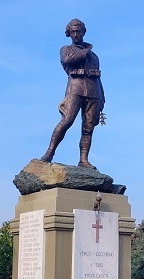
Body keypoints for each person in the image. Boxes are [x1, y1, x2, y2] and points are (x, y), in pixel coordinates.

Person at [40, 18, 105, 170]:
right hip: (75, 88)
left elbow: (99, 78)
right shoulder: (66, 49)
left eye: (78, 31)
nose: (76, 34)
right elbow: (68, 60)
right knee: (67, 120)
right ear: (68, 34)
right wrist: (86, 50)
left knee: (88, 128)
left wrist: (102, 97)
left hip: (94, 90)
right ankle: (49, 153)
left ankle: (84, 160)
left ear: (83, 32)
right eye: (73, 32)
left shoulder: (94, 56)